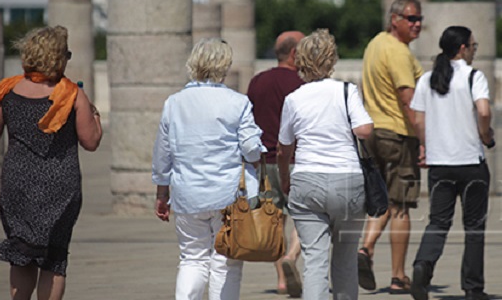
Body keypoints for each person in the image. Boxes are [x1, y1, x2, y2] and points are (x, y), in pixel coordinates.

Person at [0, 25, 103, 300]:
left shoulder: (7, 92)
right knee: (54, 258)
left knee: (21, 253)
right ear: (58, 58)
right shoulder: (72, 94)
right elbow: (91, 142)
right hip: (61, 187)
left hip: (17, 185)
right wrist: (95, 115)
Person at [152, 38, 266, 300]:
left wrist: (161, 193)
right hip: (229, 195)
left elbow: (162, 153)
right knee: (226, 260)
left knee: (192, 258)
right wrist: (258, 153)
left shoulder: (174, 102)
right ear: (224, 65)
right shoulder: (237, 102)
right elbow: (250, 148)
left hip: (187, 194)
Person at [277, 29, 373, 300]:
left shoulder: (294, 99)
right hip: (347, 180)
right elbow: (364, 130)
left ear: (299, 60)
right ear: (332, 60)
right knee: (345, 261)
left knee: (314, 262)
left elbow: (284, 148)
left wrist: (285, 178)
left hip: (307, 178)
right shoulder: (347, 91)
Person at [408, 26, 493, 300]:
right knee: (474, 227)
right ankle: (473, 288)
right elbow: (483, 110)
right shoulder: (473, 77)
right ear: (462, 49)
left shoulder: (428, 80)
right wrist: (485, 134)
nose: (473, 51)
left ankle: (422, 264)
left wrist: (425, 146)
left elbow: (418, 120)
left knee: (438, 222)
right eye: (473, 47)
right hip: (471, 162)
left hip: (439, 163)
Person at [358, 0, 425, 294]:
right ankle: (398, 276)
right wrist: (424, 140)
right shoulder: (398, 52)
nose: (417, 24)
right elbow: (408, 98)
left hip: (374, 131)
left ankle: (366, 249)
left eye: (419, 18)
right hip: (398, 134)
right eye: (411, 18)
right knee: (401, 207)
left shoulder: (374, 44)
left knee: (383, 200)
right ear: (394, 19)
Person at [247, 30, 305, 297]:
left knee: (275, 222)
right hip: (294, 159)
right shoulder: (300, 83)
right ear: (294, 53)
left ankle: (281, 280)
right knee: (306, 216)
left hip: (263, 162)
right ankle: (292, 257)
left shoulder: (257, 81)